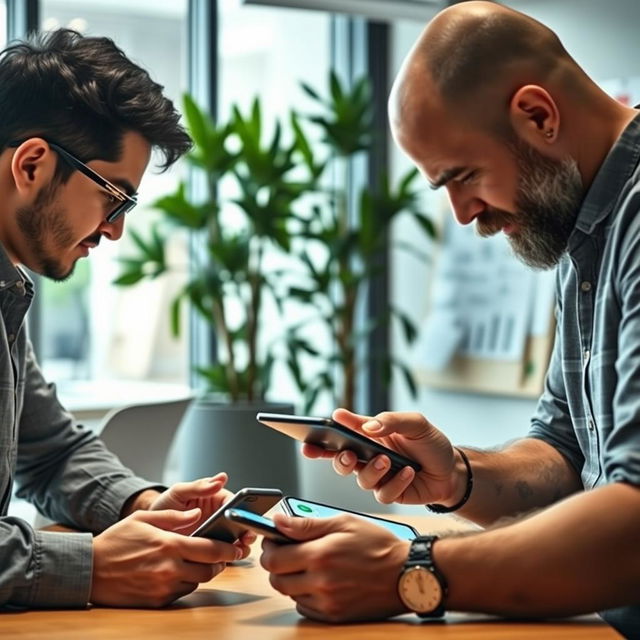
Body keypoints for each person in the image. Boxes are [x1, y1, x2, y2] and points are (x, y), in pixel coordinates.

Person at [259, 2, 640, 636]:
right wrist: (458, 475)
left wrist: (409, 571)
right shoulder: (585, 230)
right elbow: (569, 455)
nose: (464, 214)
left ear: (538, 115)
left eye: (464, 176)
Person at [0, 29, 255, 610]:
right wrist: (91, 567)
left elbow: (50, 451)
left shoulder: (6, 291)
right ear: (33, 164)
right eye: (113, 195)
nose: (116, 229)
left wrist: (142, 504)